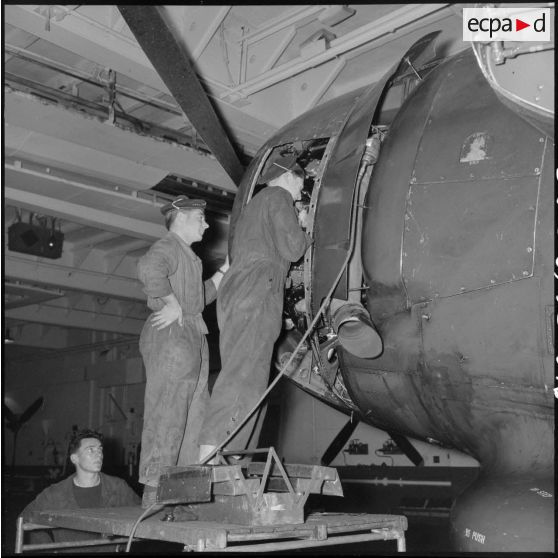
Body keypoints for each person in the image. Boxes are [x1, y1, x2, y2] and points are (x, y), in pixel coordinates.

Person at [198, 152, 311, 463]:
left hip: (237, 295)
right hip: (256, 293)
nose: (301, 192)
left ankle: (226, 457)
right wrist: (306, 225)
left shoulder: (252, 208)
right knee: (245, 375)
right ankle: (207, 461)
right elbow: (293, 247)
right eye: (301, 184)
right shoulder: (278, 196)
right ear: (290, 176)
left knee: (242, 374)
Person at [137, 195, 228, 506]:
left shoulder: (189, 256)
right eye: (200, 218)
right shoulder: (168, 246)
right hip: (172, 335)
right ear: (181, 218)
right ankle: (154, 489)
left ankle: (182, 494)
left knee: (194, 414)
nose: (206, 224)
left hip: (192, 332)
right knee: (169, 411)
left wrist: (223, 272)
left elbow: (197, 299)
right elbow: (149, 268)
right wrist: (171, 304)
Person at [20, 429, 139, 549]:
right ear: (74, 459)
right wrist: (49, 548)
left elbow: (143, 516)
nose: (98, 454)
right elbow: (24, 519)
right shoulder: (55, 493)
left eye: (100, 450)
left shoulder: (118, 487)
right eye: (90, 450)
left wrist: (123, 544)